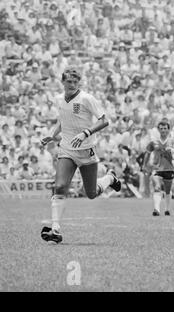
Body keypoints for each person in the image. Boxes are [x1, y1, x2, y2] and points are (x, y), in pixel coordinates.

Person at [40, 68, 121, 244]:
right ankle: (55, 230)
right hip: (67, 149)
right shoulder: (59, 99)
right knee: (60, 186)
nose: (72, 84)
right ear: (63, 82)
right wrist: (53, 136)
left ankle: (109, 178)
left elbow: (104, 120)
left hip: (86, 150)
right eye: (69, 81)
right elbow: (62, 120)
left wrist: (85, 133)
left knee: (91, 193)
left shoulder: (86, 98)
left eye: (75, 82)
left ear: (79, 83)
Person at [144, 118, 174, 216]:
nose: (163, 130)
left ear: (168, 130)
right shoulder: (154, 142)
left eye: (165, 128)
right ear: (158, 130)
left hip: (169, 168)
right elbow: (147, 153)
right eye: (161, 128)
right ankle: (156, 209)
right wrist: (145, 166)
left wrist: (171, 152)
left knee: (167, 190)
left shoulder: (173, 142)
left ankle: (167, 209)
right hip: (157, 168)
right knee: (157, 187)